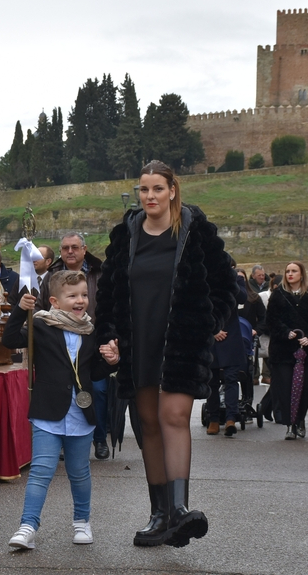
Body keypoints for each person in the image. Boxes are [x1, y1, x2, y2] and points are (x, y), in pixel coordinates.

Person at [96, 160, 237, 548]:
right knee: (148, 424)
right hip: (138, 340)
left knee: (173, 416)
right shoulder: (126, 233)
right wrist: (107, 335)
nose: (150, 196)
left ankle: (179, 511)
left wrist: (207, 325)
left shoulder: (195, 231)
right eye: (144, 189)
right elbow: (108, 291)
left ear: (173, 190)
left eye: (158, 189)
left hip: (181, 342)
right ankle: (159, 515)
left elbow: (227, 284)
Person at [3, 270, 119, 550]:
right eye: (72, 296)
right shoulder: (40, 325)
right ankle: (27, 526)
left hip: (81, 413)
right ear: (54, 301)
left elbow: (95, 372)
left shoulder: (92, 331)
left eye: (84, 295)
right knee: (41, 471)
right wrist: (21, 309)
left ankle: (82, 522)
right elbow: (9, 340)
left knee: (79, 472)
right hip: (47, 412)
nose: (80, 300)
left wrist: (112, 361)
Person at [39, 232, 109, 460]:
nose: (70, 251)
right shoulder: (51, 276)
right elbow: (42, 306)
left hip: (92, 341)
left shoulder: (100, 273)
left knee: (97, 390)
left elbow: (108, 305)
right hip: (59, 344)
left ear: (84, 249)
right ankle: (62, 438)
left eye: (75, 247)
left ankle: (99, 439)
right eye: (66, 248)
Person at [265, 262, 308, 440]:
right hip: (283, 351)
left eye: (294, 271)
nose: (290, 274)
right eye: (288, 271)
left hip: (307, 351)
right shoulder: (278, 294)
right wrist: (285, 332)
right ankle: (289, 424)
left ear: (301, 274)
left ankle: (300, 419)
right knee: (285, 388)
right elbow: (271, 320)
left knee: (306, 387)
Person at [206, 270, 247, 437]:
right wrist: (213, 330)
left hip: (231, 334)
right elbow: (200, 306)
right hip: (211, 335)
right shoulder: (205, 278)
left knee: (231, 379)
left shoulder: (236, 279)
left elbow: (243, 298)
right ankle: (213, 419)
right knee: (212, 381)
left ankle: (231, 419)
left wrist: (232, 280)